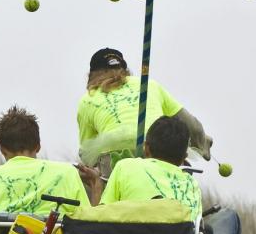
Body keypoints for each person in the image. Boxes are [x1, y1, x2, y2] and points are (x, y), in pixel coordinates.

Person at [77, 47, 213, 169]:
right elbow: (192, 126)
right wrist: (203, 144)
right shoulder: (148, 85)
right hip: (157, 147)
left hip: (114, 158)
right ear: (125, 70)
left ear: (91, 76)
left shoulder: (87, 99)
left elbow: (86, 152)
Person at [0, 106, 89, 216]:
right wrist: (95, 186)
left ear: (2, 150)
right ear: (38, 146)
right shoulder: (68, 173)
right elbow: (88, 223)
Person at [86, 115, 203, 221]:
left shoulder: (125, 166)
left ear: (146, 148)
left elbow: (100, 221)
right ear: (184, 158)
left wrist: (96, 185)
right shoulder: (191, 185)